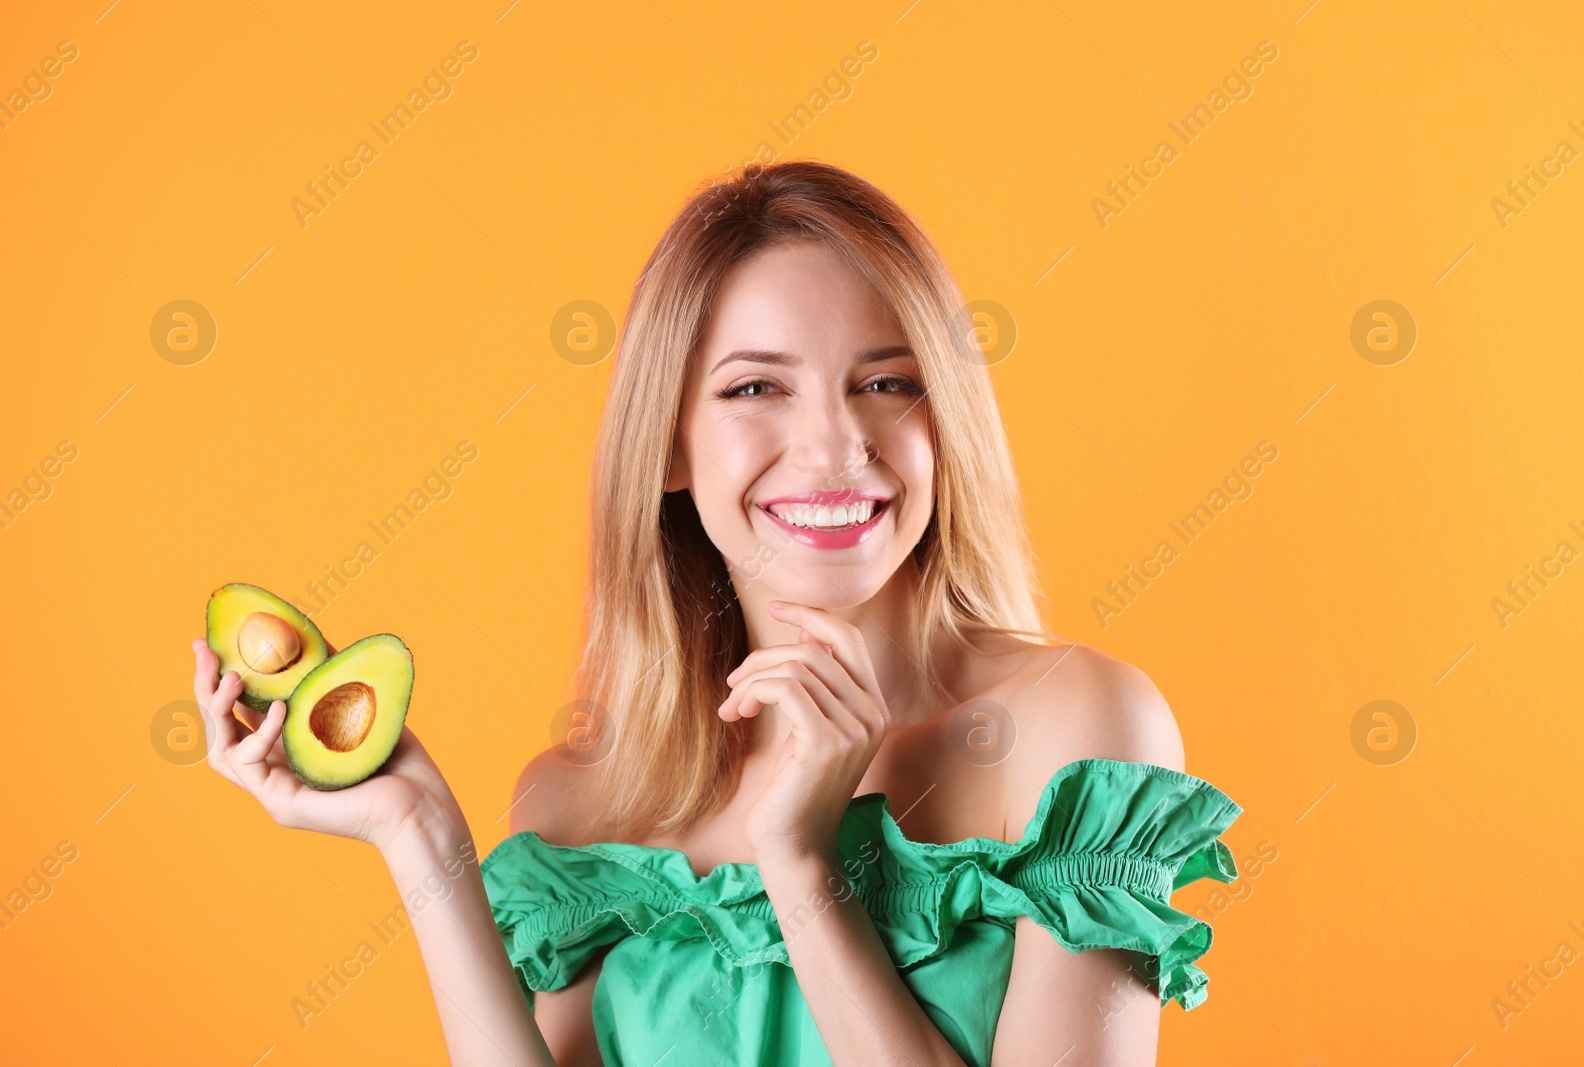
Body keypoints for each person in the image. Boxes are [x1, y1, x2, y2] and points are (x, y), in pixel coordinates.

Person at [191, 159, 1243, 1066]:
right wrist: (418, 834)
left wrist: (802, 869)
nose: (836, 445)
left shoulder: (1076, 734)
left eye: (886, 382)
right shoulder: (583, 800)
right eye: (754, 389)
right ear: (669, 447)